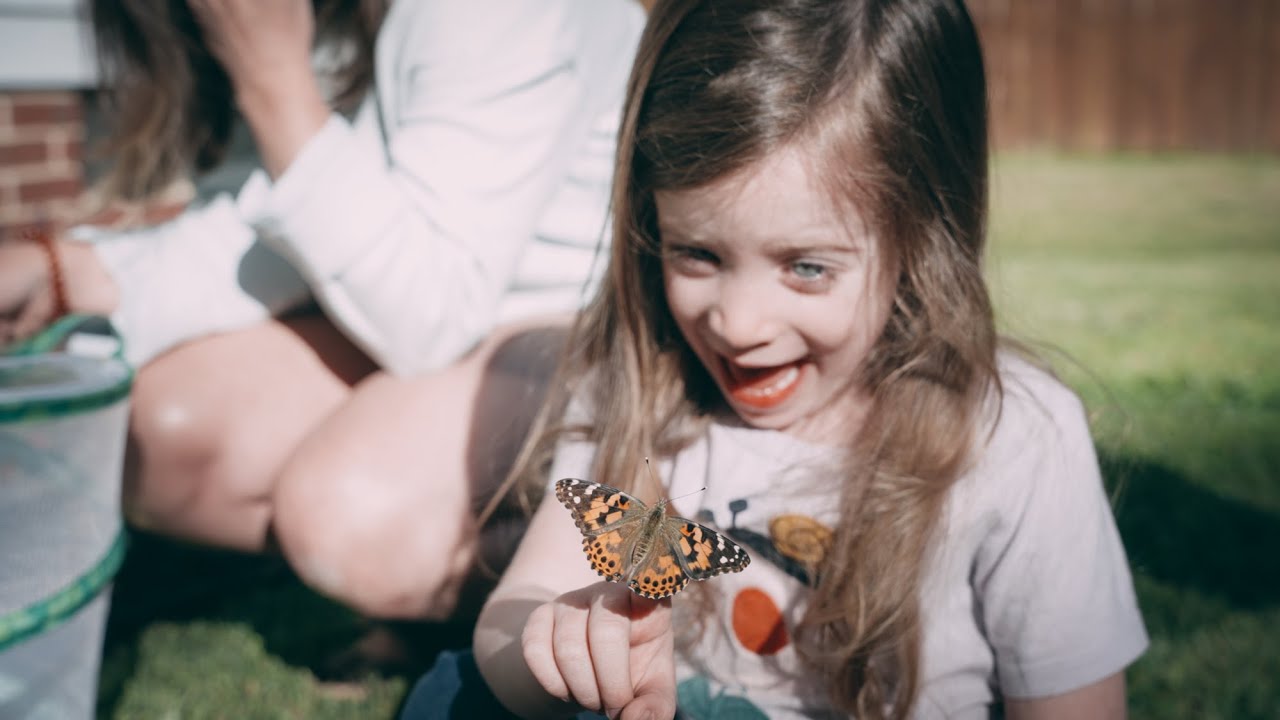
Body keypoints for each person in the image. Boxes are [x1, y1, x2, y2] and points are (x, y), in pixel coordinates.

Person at [401, 0, 1151, 717]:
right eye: (696, 253)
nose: (737, 323)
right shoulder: (649, 393)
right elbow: (521, 607)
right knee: (454, 694)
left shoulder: (1011, 440)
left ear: (923, 239)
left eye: (806, 267)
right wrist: (560, 642)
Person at [0, 0, 646, 620]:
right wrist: (66, 273)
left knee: (349, 512)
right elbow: (290, 219)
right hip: (445, 324)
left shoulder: (493, 10)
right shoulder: (346, 15)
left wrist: (274, 81)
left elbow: (429, 316)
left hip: (582, 333)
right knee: (163, 429)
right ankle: (441, 562)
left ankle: (620, 596)